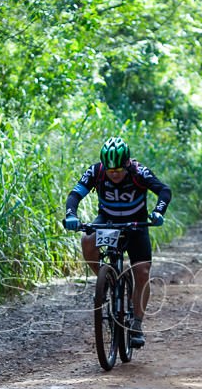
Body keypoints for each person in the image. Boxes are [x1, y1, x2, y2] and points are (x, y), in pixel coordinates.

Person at [63, 137, 172, 348]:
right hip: (108, 220)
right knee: (87, 239)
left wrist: (158, 211)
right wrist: (71, 215)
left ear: (128, 164)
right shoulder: (97, 171)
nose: (114, 174)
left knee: (142, 272)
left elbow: (164, 191)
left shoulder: (139, 172)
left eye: (119, 170)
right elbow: (75, 194)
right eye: (110, 170)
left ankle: (137, 324)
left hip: (136, 224)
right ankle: (107, 282)